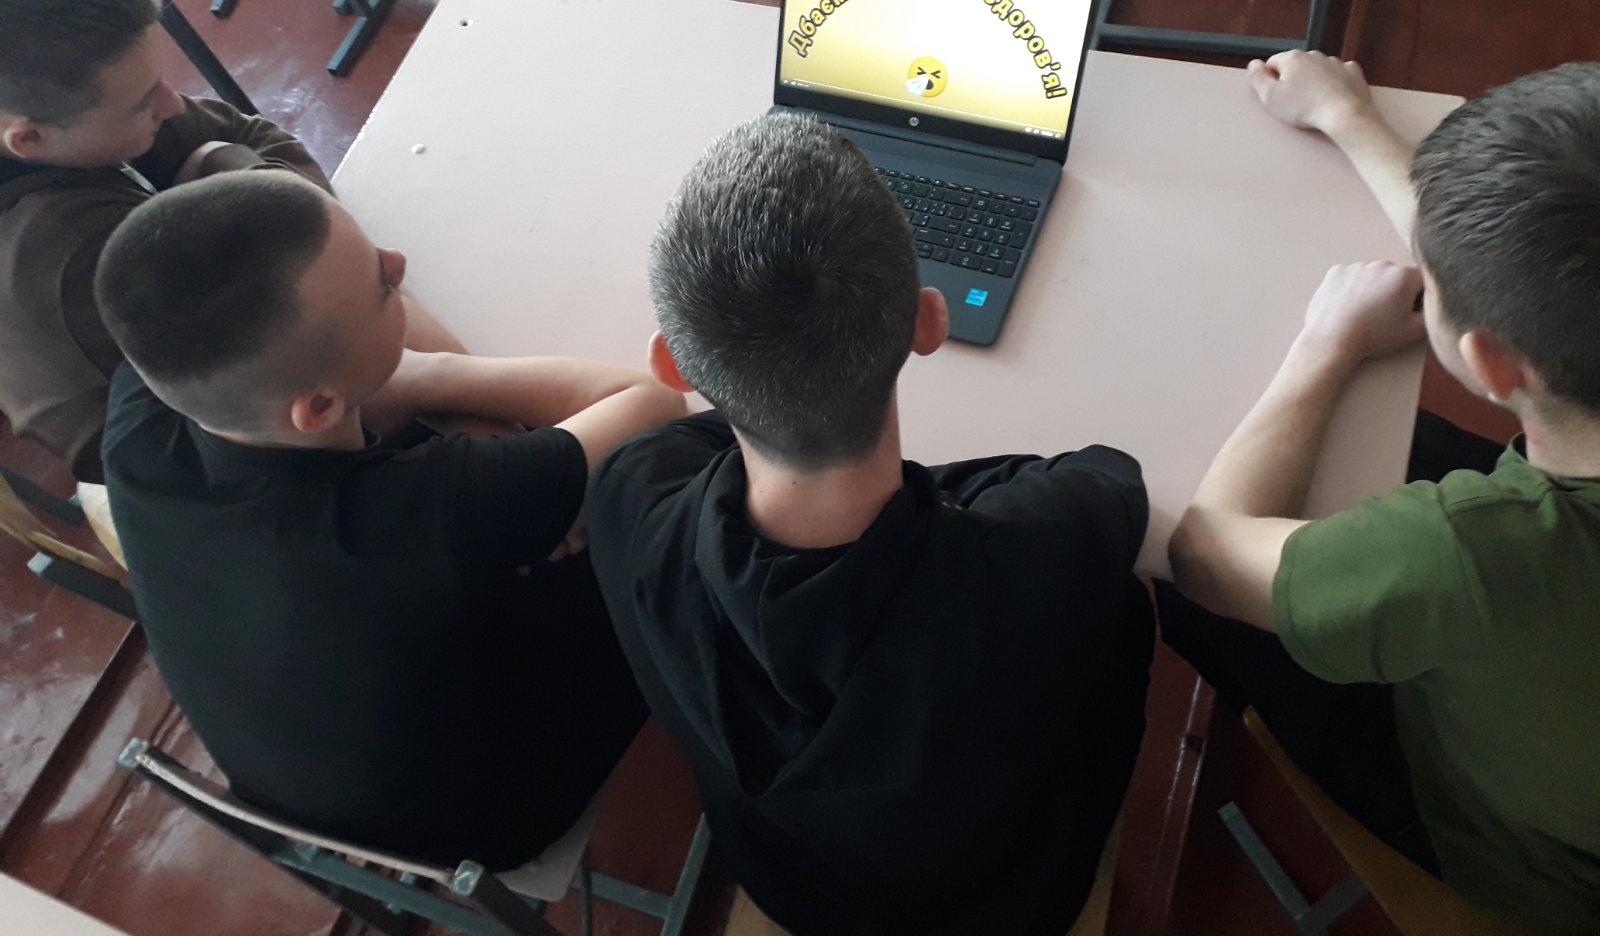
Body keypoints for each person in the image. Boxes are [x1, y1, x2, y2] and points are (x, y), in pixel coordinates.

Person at [585, 112, 1156, 936]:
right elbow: (1106, 478)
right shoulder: (1041, 550)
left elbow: (689, 439)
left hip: (790, 885)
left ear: (672, 364)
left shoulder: (632, 499)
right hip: (1012, 904)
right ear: (929, 322)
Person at [93, 171, 686, 871]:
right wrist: (433, 376)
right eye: (384, 286)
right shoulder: (408, 513)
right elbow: (652, 403)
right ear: (318, 409)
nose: (401, 265)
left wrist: (424, 400)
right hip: (492, 811)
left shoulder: (144, 409)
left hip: (311, 785)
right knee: (667, 502)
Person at [1162, 51, 1600, 935]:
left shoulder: (1471, 552)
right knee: (1403, 450)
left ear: (1490, 364)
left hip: (1533, 870)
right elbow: (1528, 271)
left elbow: (1206, 552)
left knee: (1163, 556)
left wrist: (1325, 346)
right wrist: (1348, 118)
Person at [0, 0, 332, 483]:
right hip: (209, 470)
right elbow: (309, 273)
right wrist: (218, 164)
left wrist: (217, 163)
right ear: (29, 139)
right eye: (141, 103)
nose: (174, 104)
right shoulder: (72, 246)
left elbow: (250, 135)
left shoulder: (71, 122)